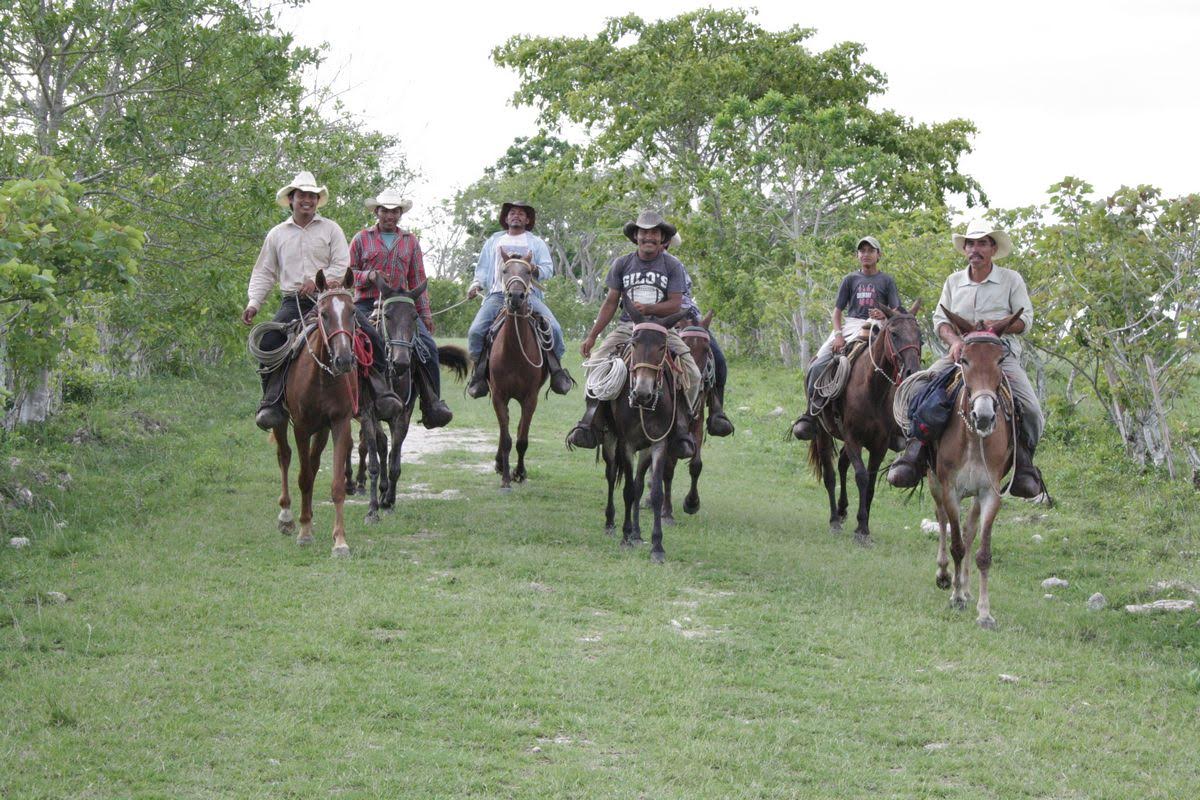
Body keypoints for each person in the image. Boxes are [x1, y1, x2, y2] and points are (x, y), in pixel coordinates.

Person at [887, 220, 1046, 497]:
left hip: (998, 354)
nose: (976, 249)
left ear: (993, 248)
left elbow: (1026, 321)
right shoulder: (953, 281)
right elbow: (940, 320)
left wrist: (996, 327)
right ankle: (913, 452)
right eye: (971, 244)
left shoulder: (1011, 279)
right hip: (961, 353)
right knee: (918, 388)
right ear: (965, 250)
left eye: (982, 243)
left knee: (1029, 407)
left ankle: (1024, 464)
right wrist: (955, 341)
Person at [243, 171, 401, 431]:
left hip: (331, 298)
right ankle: (272, 402)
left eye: (312, 196)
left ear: (317, 200)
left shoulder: (331, 229)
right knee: (270, 341)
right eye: (302, 196)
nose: (308, 200)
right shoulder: (277, 234)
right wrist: (253, 303)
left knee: (371, 335)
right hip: (294, 302)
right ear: (291, 199)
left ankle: (380, 392)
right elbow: (265, 272)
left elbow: (342, 263)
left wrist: (320, 280)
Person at [566, 211, 702, 458]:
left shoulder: (672, 265)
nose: (648, 236)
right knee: (595, 363)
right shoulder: (622, 263)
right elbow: (610, 302)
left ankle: (682, 427)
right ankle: (592, 420)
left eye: (654, 233)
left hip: (663, 329)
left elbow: (675, 304)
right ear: (636, 236)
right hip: (628, 328)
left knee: (693, 372)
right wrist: (593, 335)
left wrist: (649, 309)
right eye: (644, 232)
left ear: (662, 238)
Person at [350, 190, 452, 429]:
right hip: (366, 304)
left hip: (401, 306)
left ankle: (432, 404)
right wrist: (370, 275)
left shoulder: (410, 241)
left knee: (428, 348)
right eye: (385, 210)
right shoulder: (361, 238)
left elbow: (417, 279)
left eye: (394, 211)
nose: (389, 215)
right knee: (348, 345)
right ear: (377, 212)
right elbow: (348, 275)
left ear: (400, 214)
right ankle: (345, 399)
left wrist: (424, 313)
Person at [792, 236, 900, 440]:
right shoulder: (850, 279)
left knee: (901, 362)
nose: (866, 254)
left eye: (870, 250)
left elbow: (896, 309)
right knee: (817, 365)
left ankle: (899, 422)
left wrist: (885, 315)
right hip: (850, 325)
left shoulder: (886, 280)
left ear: (879, 255)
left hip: (877, 327)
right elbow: (837, 312)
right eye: (862, 251)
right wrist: (839, 334)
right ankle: (810, 414)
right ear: (857, 255)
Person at [465, 201, 573, 397]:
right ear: (506, 218)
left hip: (528, 296)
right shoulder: (493, 241)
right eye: (512, 213)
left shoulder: (536, 243)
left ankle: (557, 372)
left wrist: (533, 268)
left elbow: (548, 269)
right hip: (498, 295)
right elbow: (481, 269)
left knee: (554, 328)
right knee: (475, 331)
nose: (516, 216)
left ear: (528, 219)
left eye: (521, 214)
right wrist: (475, 285)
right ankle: (479, 374)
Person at [665, 233, 733, 437]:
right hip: (655, 320)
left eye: (666, 240)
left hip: (688, 318)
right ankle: (601, 414)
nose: (663, 243)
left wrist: (684, 320)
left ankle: (716, 410)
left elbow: (684, 297)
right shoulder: (637, 265)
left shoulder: (676, 265)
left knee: (718, 359)